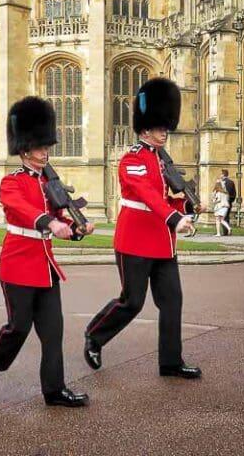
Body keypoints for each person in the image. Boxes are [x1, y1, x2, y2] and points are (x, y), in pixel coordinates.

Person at [0, 96, 92, 408]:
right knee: (18, 328)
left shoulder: (50, 184)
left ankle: (54, 390)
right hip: (18, 263)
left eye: (46, 146)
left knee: (53, 332)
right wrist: (50, 222)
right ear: (24, 149)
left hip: (45, 265)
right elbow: (21, 209)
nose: (45, 152)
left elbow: (61, 219)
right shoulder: (10, 182)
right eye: (40, 147)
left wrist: (77, 228)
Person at [84, 77, 203, 380]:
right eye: (159, 128)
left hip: (162, 244)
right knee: (132, 302)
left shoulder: (164, 163)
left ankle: (171, 362)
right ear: (145, 128)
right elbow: (148, 197)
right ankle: (95, 336)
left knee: (172, 301)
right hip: (135, 241)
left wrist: (187, 208)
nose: (165, 132)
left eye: (166, 127)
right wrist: (175, 219)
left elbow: (165, 200)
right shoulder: (132, 159)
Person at [219, 169, 236, 235]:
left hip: (222, 202)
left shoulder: (221, 183)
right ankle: (227, 230)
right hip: (229, 202)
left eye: (221, 174)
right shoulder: (231, 182)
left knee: (222, 217)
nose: (220, 176)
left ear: (223, 175)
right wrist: (231, 200)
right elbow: (234, 193)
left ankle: (226, 231)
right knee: (227, 216)